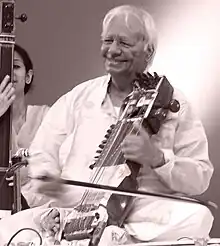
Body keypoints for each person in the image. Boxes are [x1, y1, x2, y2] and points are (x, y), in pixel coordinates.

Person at [0, 5, 214, 245]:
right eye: (108, 40)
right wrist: (49, 182)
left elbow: (200, 177)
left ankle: (113, 234)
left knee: (198, 216)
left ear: (148, 51)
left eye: (124, 43)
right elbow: (42, 153)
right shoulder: (77, 98)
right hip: (71, 209)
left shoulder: (176, 104)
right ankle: (94, 233)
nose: (112, 50)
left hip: (138, 213)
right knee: (4, 229)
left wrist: (157, 158)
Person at [0, 44, 49, 212]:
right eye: (3, 65)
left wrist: (27, 171)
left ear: (28, 76)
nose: (8, 71)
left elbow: (57, 161)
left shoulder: (46, 115)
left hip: (38, 208)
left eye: (15, 66)